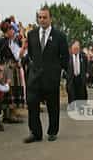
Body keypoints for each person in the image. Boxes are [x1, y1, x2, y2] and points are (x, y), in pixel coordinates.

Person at [24, 7, 69, 143]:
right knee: (32, 104)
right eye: (40, 17)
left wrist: (57, 71)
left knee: (53, 106)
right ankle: (35, 133)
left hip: (51, 78)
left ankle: (52, 131)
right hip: (35, 77)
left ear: (50, 18)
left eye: (45, 17)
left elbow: (65, 57)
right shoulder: (31, 34)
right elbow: (31, 54)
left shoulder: (59, 36)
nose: (42, 20)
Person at [0, 21, 27, 123]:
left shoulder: (6, 41)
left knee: (10, 89)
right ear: (7, 30)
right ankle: (10, 115)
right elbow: (16, 55)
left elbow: (17, 55)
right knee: (11, 89)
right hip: (9, 67)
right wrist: (23, 47)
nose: (13, 31)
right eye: (11, 29)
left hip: (7, 66)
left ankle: (9, 114)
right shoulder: (5, 41)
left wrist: (22, 47)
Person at [66, 40, 88, 110]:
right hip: (71, 77)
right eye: (74, 49)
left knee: (80, 92)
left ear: (79, 49)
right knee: (71, 92)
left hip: (80, 77)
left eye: (77, 49)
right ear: (71, 49)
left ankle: (80, 106)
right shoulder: (68, 57)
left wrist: (86, 73)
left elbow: (86, 66)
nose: (75, 50)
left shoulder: (83, 56)